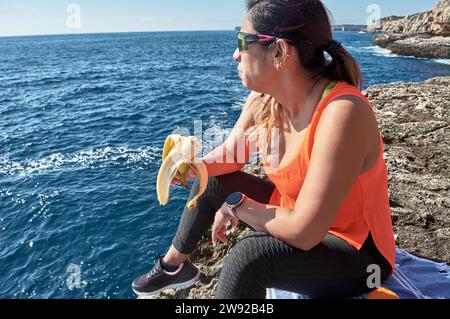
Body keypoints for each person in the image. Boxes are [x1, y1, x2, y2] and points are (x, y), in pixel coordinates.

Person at [132, 0, 396, 299]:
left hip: (357, 252)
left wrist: (237, 204)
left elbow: (305, 232)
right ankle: (175, 268)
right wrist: (195, 167)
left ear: (280, 51)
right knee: (211, 180)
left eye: (242, 42)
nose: (235, 55)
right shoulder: (264, 100)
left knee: (251, 255)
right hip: (293, 210)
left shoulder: (343, 112)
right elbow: (234, 154)